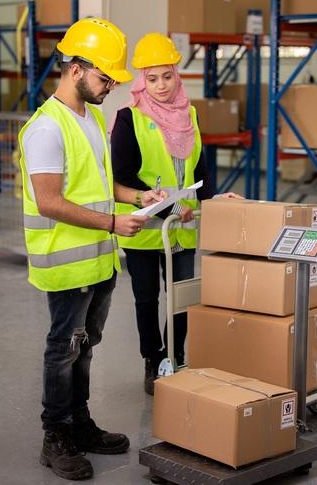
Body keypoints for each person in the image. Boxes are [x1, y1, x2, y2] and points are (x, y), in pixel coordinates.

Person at [18, 18, 165, 481]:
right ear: (76, 68)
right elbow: (50, 200)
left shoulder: (92, 117)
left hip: (99, 260)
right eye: (105, 78)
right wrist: (115, 223)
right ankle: (55, 435)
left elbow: (99, 186)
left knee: (86, 346)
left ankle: (80, 424)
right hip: (67, 265)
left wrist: (137, 197)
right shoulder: (46, 128)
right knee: (63, 348)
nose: (110, 88)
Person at [110, 32, 243, 396]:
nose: (161, 85)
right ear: (142, 80)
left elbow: (198, 170)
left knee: (181, 296)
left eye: (167, 76)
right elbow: (121, 175)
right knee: (147, 298)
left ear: (177, 74)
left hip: (180, 227)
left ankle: (176, 355)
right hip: (144, 226)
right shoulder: (129, 118)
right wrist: (172, 205)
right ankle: (152, 361)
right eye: (152, 78)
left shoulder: (191, 114)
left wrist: (214, 198)